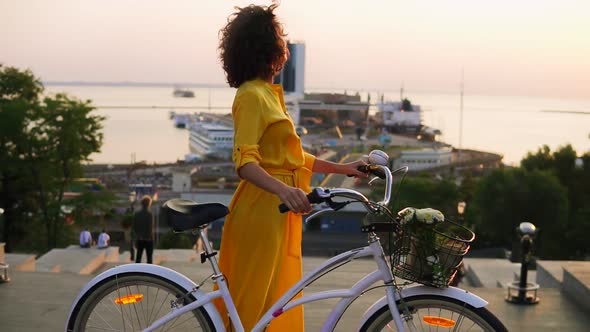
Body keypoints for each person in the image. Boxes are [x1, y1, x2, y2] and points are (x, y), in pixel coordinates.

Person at [214, 4, 367, 331]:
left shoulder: (268, 94)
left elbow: (292, 159)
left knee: (276, 303)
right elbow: (245, 163)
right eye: (280, 36)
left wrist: (346, 169)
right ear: (267, 46)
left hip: (281, 210)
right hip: (262, 211)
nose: (285, 42)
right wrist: (284, 189)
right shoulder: (252, 96)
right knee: (255, 306)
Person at [133, 195, 154, 264]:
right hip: (148, 239)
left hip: (139, 239)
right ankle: (149, 273)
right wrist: (151, 238)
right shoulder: (149, 214)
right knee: (149, 259)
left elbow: (135, 227)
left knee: (138, 257)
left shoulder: (137, 214)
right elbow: (150, 228)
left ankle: (136, 272)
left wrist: (138, 236)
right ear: (149, 204)